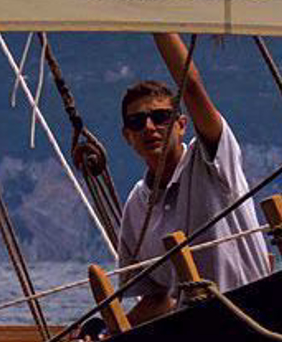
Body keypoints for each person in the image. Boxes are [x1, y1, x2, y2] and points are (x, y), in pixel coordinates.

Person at [114, 34, 271, 324]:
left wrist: (157, 23)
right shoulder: (137, 206)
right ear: (127, 136)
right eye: (137, 122)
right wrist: (105, 333)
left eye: (161, 117)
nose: (149, 127)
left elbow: (194, 90)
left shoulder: (210, 161)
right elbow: (157, 298)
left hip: (252, 318)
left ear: (182, 125)